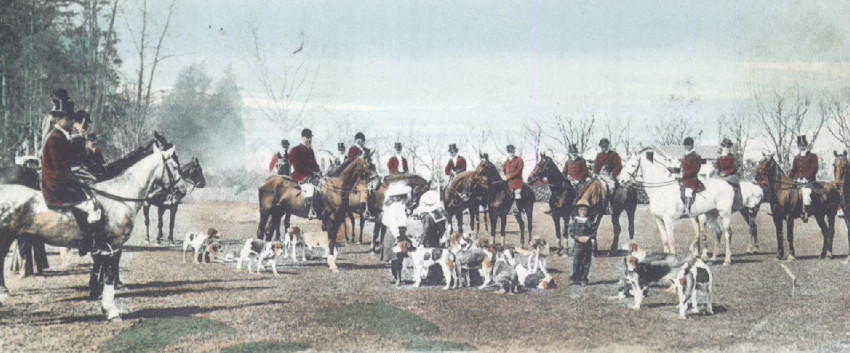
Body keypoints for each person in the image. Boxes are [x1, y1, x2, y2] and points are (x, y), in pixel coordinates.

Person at [41, 107, 101, 256]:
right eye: (68, 119)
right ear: (59, 120)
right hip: (55, 181)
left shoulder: (61, 135)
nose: (71, 122)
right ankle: (85, 240)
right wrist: (76, 178)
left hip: (60, 177)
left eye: (71, 119)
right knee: (90, 205)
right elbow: (60, 166)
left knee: (89, 199)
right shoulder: (56, 137)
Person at [289, 128, 321, 219]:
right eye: (307, 137)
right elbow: (298, 167)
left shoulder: (310, 150)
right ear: (302, 137)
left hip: (310, 175)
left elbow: (314, 164)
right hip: (299, 175)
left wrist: (319, 172)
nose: (309, 139)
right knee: (310, 188)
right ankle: (310, 210)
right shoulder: (295, 150)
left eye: (310, 137)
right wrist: (312, 173)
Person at [789, 135, 818, 222]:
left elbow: (814, 168)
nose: (802, 147)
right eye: (800, 145)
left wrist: (806, 177)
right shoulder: (796, 157)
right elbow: (793, 170)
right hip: (797, 180)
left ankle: (805, 213)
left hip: (809, 181)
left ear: (806, 145)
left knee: (805, 193)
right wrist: (789, 179)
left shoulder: (812, 156)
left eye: (803, 145)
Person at [594, 138, 622, 214]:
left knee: (611, 187)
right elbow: (596, 166)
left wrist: (613, 173)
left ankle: (609, 205)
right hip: (600, 175)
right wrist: (595, 173)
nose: (603, 147)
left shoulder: (614, 154)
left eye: (605, 146)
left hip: (609, 175)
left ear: (608, 145)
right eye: (602, 146)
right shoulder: (599, 155)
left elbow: (619, 166)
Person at [678, 137, 704, 218]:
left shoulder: (696, 156)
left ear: (692, 145)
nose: (686, 147)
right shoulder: (684, 156)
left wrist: (684, 174)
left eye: (688, 145)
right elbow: (681, 167)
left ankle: (687, 210)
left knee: (688, 191)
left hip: (692, 179)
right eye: (685, 145)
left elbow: (695, 169)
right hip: (683, 179)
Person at [569, 205, 595, 286]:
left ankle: (584, 278)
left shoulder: (590, 221)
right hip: (578, 245)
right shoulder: (575, 221)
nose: (583, 211)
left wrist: (588, 237)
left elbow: (594, 233)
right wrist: (577, 237)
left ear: (587, 211)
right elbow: (571, 232)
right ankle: (576, 277)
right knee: (576, 261)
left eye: (585, 210)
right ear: (578, 211)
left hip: (588, 245)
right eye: (581, 210)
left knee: (586, 262)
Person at [503, 145, 524, 214]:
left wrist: (508, 177)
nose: (510, 153)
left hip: (517, 181)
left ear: (514, 151)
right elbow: (504, 170)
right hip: (507, 181)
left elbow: (518, 171)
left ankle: (518, 208)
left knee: (517, 192)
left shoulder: (519, 160)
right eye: (509, 151)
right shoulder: (506, 161)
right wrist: (503, 176)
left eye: (512, 151)